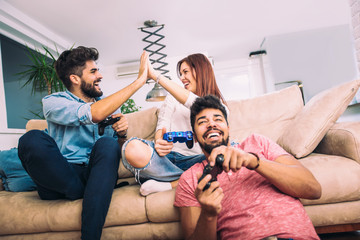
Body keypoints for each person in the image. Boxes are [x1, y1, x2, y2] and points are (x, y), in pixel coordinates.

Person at [17, 46, 149, 240]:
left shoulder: (109, 105)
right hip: (62, 176)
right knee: (31, 139)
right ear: (75, 78)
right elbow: (93, 114)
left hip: (95, 179)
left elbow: (115, 155)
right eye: (93, 71)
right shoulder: (54, 102)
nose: (100, 75)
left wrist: (121, 135)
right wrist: (139, 81)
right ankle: (80, 191)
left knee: (107, 144)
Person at [174, 95, 322, 240]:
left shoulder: (258, 143)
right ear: (194, 136)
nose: (211, 124)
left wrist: (254, 161)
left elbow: (313, 189)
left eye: (218, 119)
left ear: (228, 128)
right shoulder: (191, 178)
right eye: (202, 122)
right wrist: (208, 214)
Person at [122, 53, 227, 196]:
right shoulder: (172, 98)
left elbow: (200, 105)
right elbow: (162, 125)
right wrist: (159, 141)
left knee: (230, 150)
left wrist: (156, 76)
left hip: (198, 162)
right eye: (181, 73)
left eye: (185, 72)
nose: (182, 78)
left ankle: (169, 184)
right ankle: (187, 177)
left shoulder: (219, 107)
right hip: (167, 161)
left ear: (201, 71)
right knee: (132, 148)